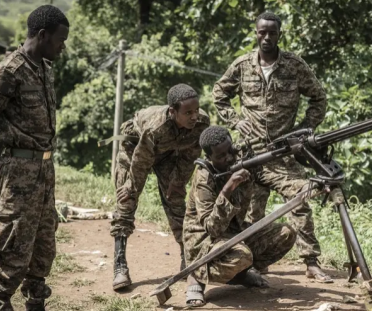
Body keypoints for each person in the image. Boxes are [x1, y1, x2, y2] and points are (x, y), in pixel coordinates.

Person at [212, 12, 332, 283]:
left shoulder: (293, 65)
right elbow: (219, 93)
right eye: (261, 32)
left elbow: (319, 98)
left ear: (280, 34)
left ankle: (311, 262)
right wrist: (235, 120)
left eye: (272, 33)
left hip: (282, 154)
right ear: (256, 33)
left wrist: (303, 131)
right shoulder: (242, 65)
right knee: (251, 215)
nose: (266, 37)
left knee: (300, 198)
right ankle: (255, 264)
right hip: (250, 154)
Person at [0, 5, 69, 310]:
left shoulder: (43, 68)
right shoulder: (8, 71)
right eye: (59, 39)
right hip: (16, 175)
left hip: (44, 172)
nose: (62, 46)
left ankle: (36, 302)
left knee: (43, 248)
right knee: (12, 250)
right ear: (42, 35)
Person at [182, 125, 297, 307]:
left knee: (286, 233)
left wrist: (300, 187)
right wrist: (228, 188)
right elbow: (213, 228)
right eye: (221, 156)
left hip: (235, 232)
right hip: (204, 241)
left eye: (231, 151)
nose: (228, 158)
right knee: (242, 256)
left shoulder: (240, 162)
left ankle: (240, 275)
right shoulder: (204, 178)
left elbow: (270, 178)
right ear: (209, 158)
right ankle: (197, 275)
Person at [110, 83, 210, 290]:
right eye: (188, 112)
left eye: (196, 110)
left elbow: (191, 153)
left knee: (175, 199)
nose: (194, 116)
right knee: (126, 200)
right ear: (173, 112)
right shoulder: (155, 127)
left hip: (167, 153)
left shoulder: (201, 123)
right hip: (135, 149)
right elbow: (141, 160)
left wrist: (178, 181)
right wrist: (131, 186)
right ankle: (120, 266)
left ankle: (187, 257)